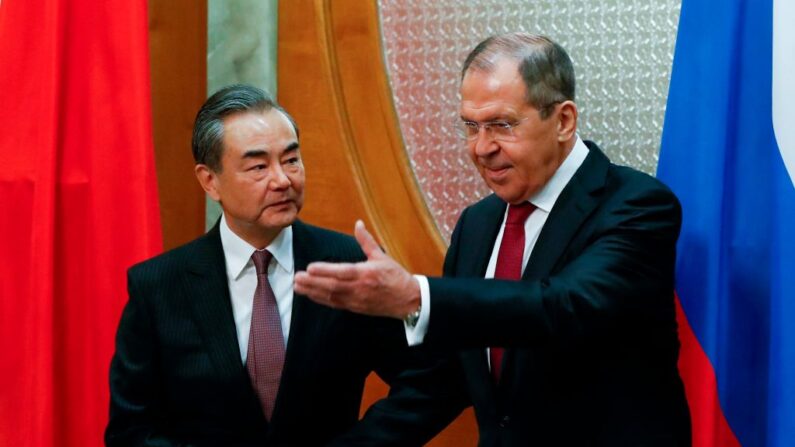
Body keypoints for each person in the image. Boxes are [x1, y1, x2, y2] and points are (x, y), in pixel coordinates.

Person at [295, 33, 692, 445]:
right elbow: (445, 378)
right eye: (471, 126)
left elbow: (566, 307)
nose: (482, 148)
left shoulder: (637, 205)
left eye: (501, 125)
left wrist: (418, 296)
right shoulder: (478, 224)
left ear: (563, 120)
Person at [105, 84, 460, 446]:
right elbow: (131, 430)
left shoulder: (347, 263)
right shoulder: (160, 286)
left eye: (291, 160)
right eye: (259, 167)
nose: (283, 180)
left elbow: (434, 379)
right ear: (210, 181)